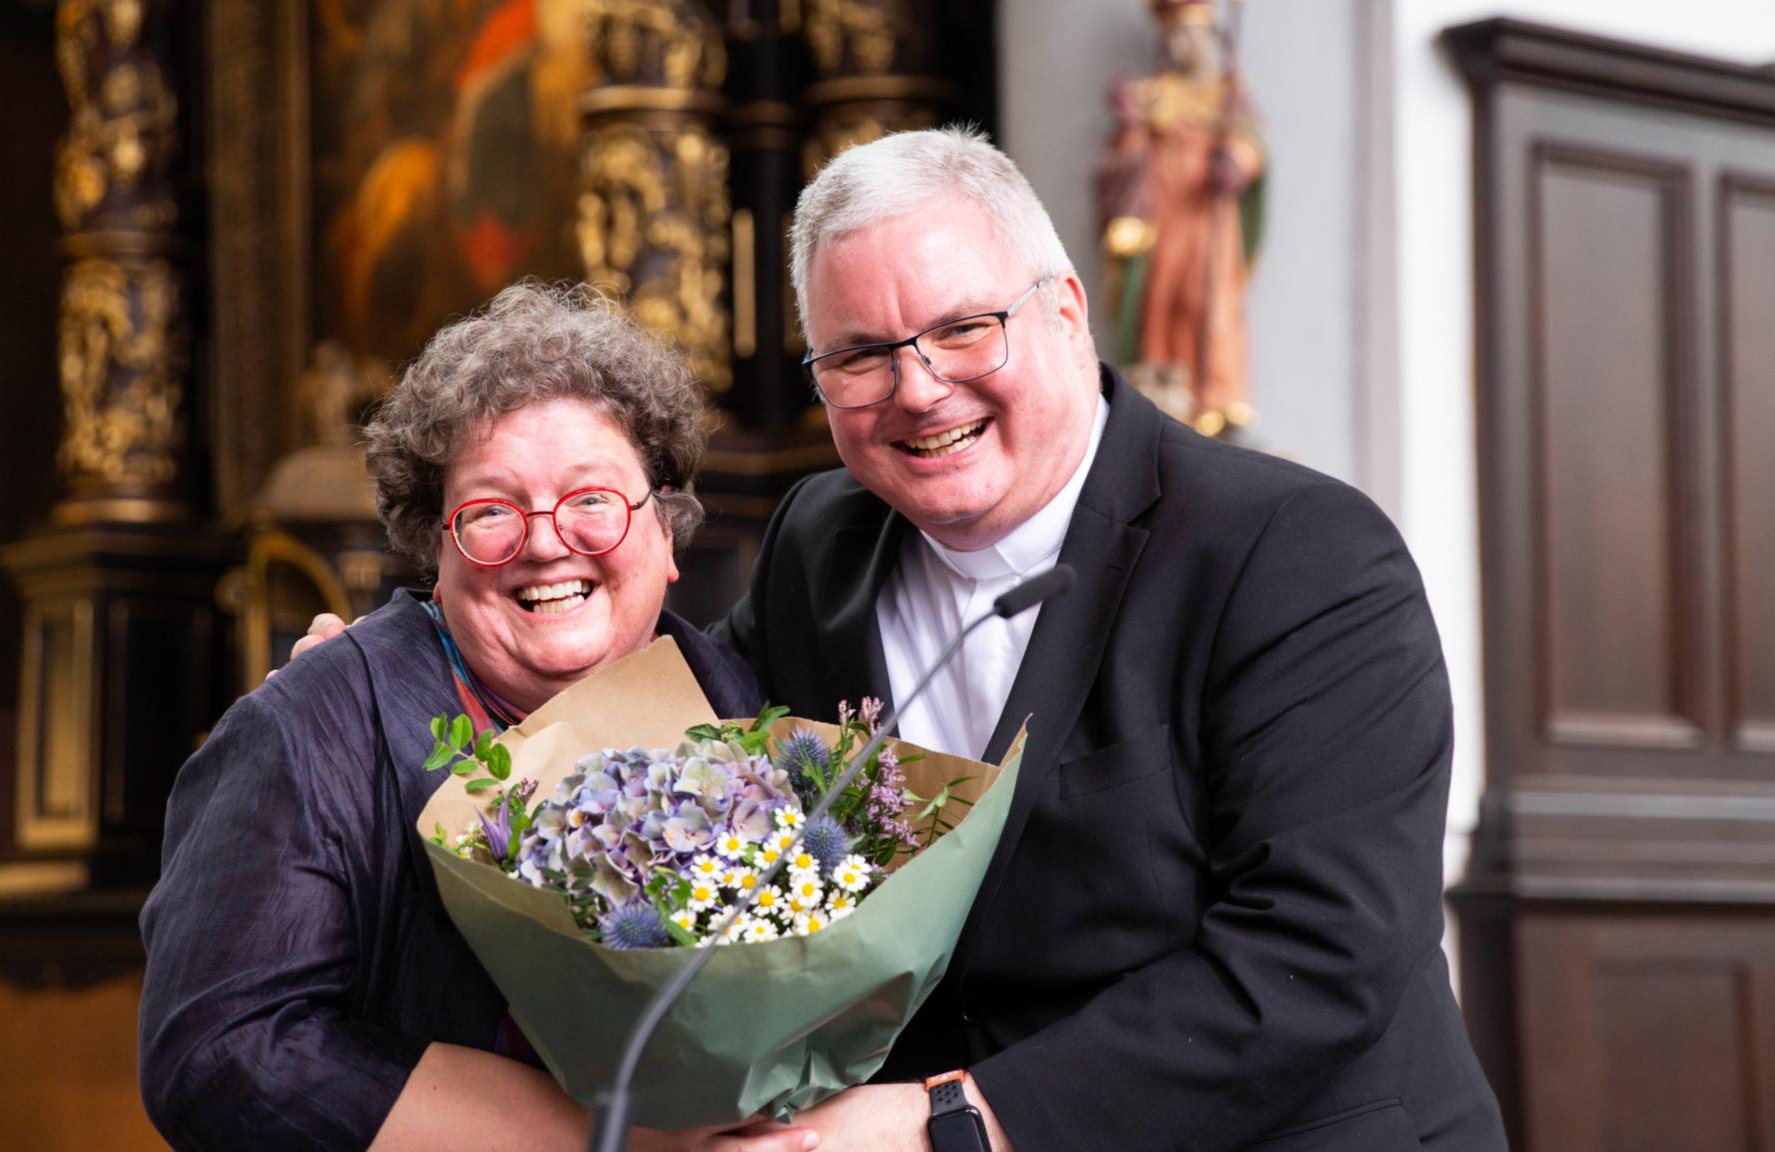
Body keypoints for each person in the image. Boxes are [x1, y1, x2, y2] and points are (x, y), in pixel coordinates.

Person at [297, 130, 1506, 1150]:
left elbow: (1320, 956)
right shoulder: (823, 537)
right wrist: (383, 685)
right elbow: (653, 730)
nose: (918, 389)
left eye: (963, 327)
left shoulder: (1295, 553)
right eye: (860, 354)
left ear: (1066, 313)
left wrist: (956, 1117)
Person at [138, 284, 820, 1152]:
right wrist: (613, 1140)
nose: (545, 542)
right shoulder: (311, 728)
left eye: (592, 500)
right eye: (492, 511)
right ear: (436, 547)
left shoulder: (731, 698)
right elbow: (219, 1056)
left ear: (666, 530)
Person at [1096, 0, 1267, 436]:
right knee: (1161, 306)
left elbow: (1251, 144)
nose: (1183, 45)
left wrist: (1236, 161)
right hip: (1162, 222)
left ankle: (1217, 400)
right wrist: (1131, 126)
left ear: (1210, 38)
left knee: (1210, 306)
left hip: (1209, 221)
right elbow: (1126, 153)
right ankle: (1164, 403)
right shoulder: (1153, 93)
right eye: (1175, 35)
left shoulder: (1228, 94)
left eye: (1191, 35)